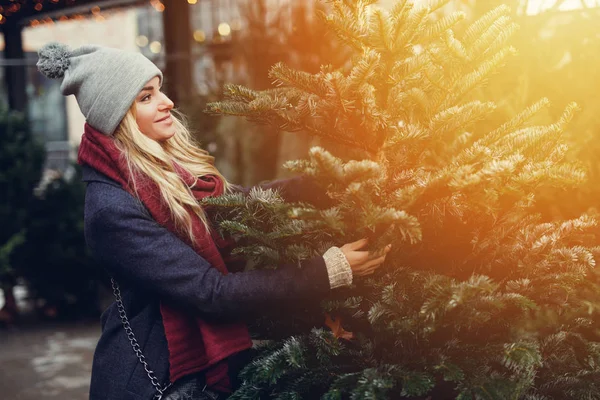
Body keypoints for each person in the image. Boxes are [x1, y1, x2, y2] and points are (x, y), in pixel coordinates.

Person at [37, 43, 391, 400]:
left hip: (191, 377)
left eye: (159, 90)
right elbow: (212, 293)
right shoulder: (112, 210)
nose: (167, 103)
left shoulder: (165, 173)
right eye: (146, 97)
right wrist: (328, 271)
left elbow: (239, 203)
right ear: (119, 117)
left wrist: (323, 183)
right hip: (163, 382)